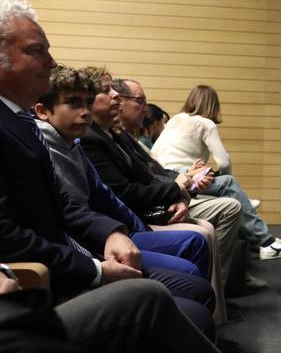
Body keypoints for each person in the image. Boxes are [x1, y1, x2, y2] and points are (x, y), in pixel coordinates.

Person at [0, 0, 225, 350]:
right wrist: (95, 270)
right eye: (36, 51)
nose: (51, 62)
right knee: (176, 304)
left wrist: (111, 233)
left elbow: (61, 202)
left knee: (192, 293)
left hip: (63, 260)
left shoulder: (14, 115)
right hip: (37, 282)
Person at [80, 69, 241, 323]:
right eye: (107, 91)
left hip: (143, 210)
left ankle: (212, 311)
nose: (116, 98)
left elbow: (148, 176)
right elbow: (125, 192)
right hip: (129, 220)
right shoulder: (91, 138)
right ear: (45, 111)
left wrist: (180, 188)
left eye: (117, 92)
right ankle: (209, 309)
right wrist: (178, 187)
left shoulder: (112, 135)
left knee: (206, 230)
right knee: (208, 226)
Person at [34, 65, 210, 278]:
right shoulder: (51, 145)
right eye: (73, 103)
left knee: (199, 240)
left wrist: (177, 192)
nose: (85, 111)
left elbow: (130, 183)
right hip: (91, 243)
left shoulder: (79, 142)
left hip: (115, 227)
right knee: (194, 252)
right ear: (42, 111)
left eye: (88, 102)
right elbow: (110, 197)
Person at [151, 84, 281, 260]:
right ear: (213, 106)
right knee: (228, 182)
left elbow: (155, 152)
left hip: (161, 175)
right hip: (182, 175)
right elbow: (223, 161)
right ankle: (268, 243)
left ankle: (242, 202)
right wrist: (222, 177)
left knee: (229, 191)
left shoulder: (176, 119)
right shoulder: (206, 124)